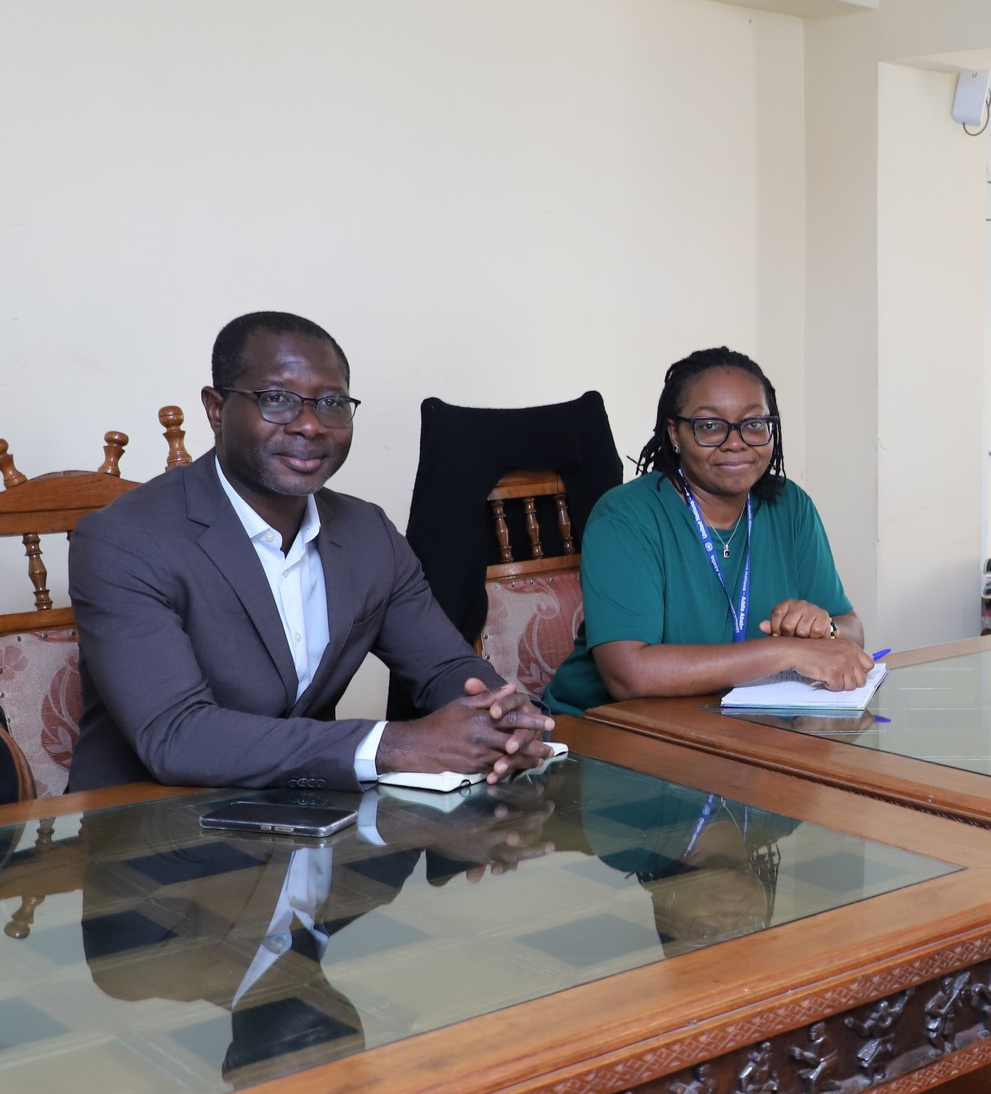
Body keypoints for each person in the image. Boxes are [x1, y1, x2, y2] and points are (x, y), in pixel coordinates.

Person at [68, 312, 554, 791]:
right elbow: (177, 736)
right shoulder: (124, 540)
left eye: (331, 403)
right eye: (276, 399)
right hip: (148, 839)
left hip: (310, 826)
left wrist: (503, 719)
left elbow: (446, 667)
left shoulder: (368, 532)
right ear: (216, 408)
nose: (309, 425)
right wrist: (398, 745)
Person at [543, 347, 868, 711]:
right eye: (710, 426)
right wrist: (787, 651)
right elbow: (628, 675)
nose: (735, 442)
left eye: (754, 423)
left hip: (738, 726)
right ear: (674, 433)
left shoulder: (790, 506)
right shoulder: (625, 517)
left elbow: (852, 630)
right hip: (606, 731)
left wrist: (826, 630)